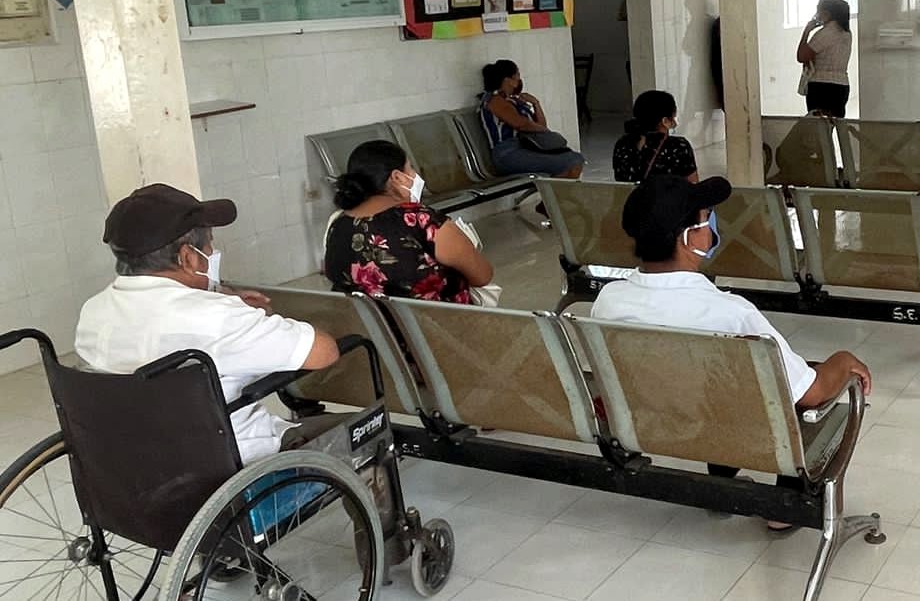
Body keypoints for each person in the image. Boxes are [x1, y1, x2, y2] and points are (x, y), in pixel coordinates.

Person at [592, 174, 873, 530]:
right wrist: (845, 360)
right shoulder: (730, 312)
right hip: (727, 427)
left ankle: (722, 484)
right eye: (707, 217)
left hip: (656, 423)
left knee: (718, 381)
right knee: (807, 385)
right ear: (689, 236)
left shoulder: (608, 301)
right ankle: (787, 504)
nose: (712, 226)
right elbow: (811, 392)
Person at [76, 184, 342, 462]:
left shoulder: (93, 312)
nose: (213, 252)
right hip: (236, 464)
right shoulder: (216, 317)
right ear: (188, 257)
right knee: (364, 427)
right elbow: (324, 351)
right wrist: (252, 315)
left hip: (136, 467)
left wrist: (219, 298)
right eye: (209, 244)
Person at [324, 140, 494, 305]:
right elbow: (482, 276)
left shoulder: (338, 225)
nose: (415, 175)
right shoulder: (422, 222)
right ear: (397, 177)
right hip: (436, 327)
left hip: (369, 329)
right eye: (410, 168)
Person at [479, 59, 585, 178]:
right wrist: (546, 132)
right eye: (517, 75)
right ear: (508, 80)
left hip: (528, 147)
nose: (519, 79)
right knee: (571, 162)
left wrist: (536, 103)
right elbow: (521, 124)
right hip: (508, 154)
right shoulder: (495, 101)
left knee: (575, 159)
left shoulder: (515, 100)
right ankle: (553, 194)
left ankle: (553, 194)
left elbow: (541, 126)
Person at [612, 90, 698, 183]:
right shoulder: (679, 146)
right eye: (673, 117)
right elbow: (692, 185)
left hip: (631, 197)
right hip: (665, 197)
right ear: (665, 121)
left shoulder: (622, 144)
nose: (675, 123)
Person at [796, 0, 853, 118]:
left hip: (821, 86)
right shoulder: (846, 33)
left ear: (827, 13)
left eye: (818, 9)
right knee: (835, 125)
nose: (817, 13)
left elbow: (801, 56)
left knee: (819, 131)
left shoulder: (825, 33)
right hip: (841, 86)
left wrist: (806, 31)